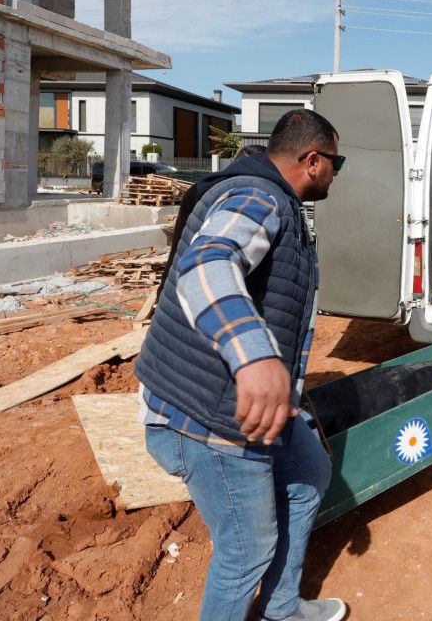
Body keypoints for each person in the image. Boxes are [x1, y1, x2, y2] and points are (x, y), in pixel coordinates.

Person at [134, 110, 347, 621]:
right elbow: (207, 263)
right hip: (208, 419)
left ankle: (280, 608)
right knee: (246, 549)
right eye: (338, 163)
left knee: (309, 475)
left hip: (248, 410)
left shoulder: (275, 198)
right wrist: (254, 356)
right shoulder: (258, 196)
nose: (338, 174)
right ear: (312, 160)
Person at [156, 144, 268, 298]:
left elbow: (178, 246)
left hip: (185, 282)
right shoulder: (261, 196)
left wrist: (163, 291)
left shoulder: (201, 188)